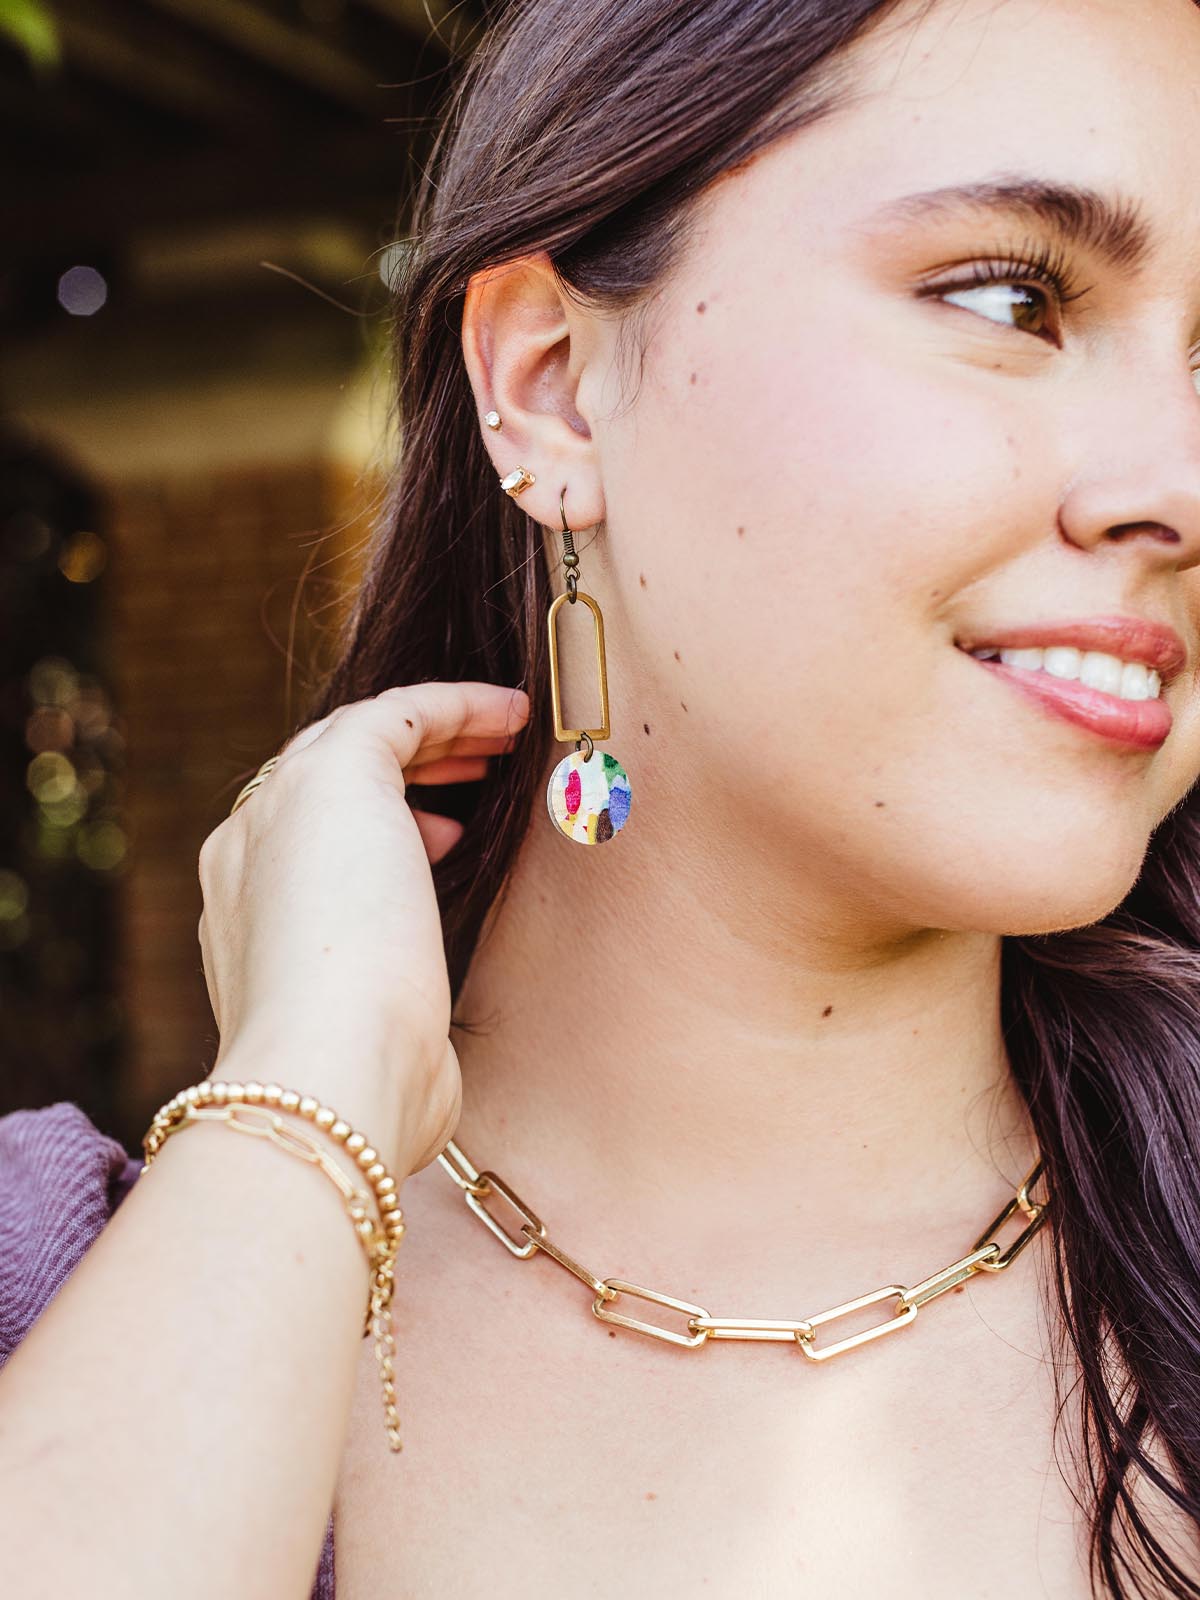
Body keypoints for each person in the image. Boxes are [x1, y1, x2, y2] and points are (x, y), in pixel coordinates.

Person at [4, 0, 1200, 1593]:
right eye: (1011, 295)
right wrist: (308, 1103)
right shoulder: (58, 1294)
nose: (1178, 485)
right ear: (558, 387)